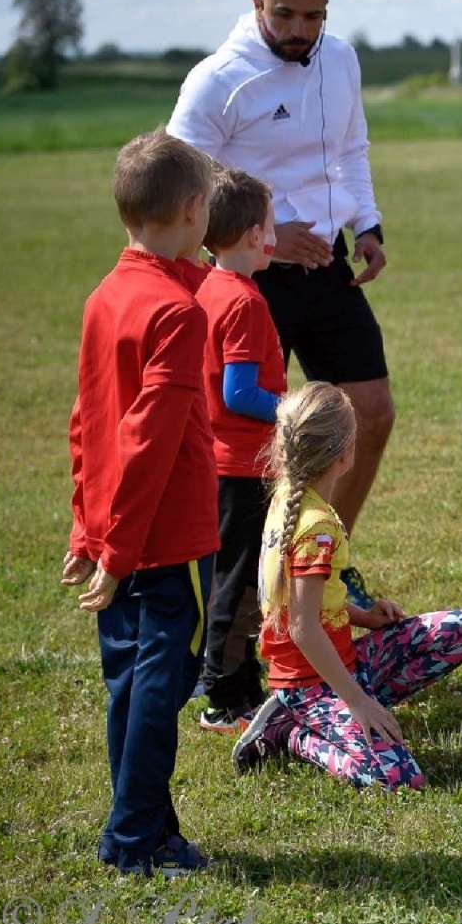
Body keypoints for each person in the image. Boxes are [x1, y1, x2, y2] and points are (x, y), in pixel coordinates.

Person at [167, 0, 393, 537]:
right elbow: (178, 183)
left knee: (370, 415)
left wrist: (366, 225)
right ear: (257, 4)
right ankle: (249, 585)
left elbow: (350, 151)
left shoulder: (340, 59)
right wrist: (268, 235)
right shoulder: (217, 80)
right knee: (252, 438)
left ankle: (326, 556)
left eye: (314, 17)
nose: (300, 31)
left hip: (327, 268)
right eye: (286, 15)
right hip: (248, 279)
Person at [62, 129, 220, 876]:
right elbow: (150, 439)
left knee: (132, 683)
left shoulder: (106, 294)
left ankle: (150, 831)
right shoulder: (178, 314)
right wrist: (116, 546)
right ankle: (134, 840)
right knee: (162, 689)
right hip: (167, 537)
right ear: (194, 212)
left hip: (115, 532)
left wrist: (86, 524)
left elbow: (85, 419)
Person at [232, 383, 462, 789]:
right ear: (344, 453)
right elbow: (302, 626)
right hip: (308, 684)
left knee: (460, 629)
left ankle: (352, 711)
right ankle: (289, 732)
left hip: (343, 663)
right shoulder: (315, 527)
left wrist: (365, 617)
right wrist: (357, 701)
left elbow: (309, 603)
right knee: (397, 778)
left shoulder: (291, 498)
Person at [195, 168, 287, 733]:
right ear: (255, 235)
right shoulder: (245, 302)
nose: (275, 235)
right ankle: (223, 696)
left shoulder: (207, 285)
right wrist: (291, 409)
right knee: (240, 577)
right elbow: (238, 393)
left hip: (218, 461)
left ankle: (239, 682)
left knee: (233, 572)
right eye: (273, 225)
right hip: (241, 464)